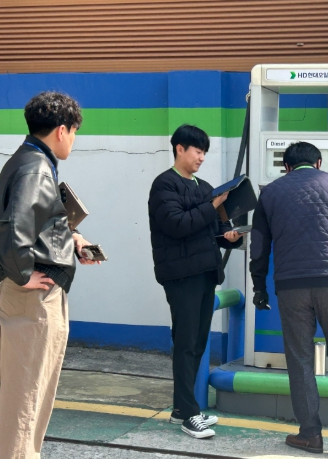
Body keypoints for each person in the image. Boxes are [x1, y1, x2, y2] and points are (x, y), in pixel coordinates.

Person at [0, 91, 99, 458]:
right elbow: (15, 226)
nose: (74, 140)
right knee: (26, 399)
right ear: (62, 130)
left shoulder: (26, 160)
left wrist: (72, 239)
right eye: (74, 132)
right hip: (35, 298)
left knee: (20, 394)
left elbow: (28, 223)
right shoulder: (36, 168)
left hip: (25, 295)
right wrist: (22, 274)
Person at [250, 141, 328, 454]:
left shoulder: (270, 192)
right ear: (319, 163)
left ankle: (310, 434)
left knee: (300, 358)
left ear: (286, 167)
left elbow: (259, 246)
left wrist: (258, 287)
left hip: (291, 286)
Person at [148, 124, 243, 439]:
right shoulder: (164, 185)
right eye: (197, 151)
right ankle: (190, 414)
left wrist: (229, 236)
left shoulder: (205, 187)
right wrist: (212, 206)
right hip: (181, 276)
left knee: (197, 343)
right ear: (180, 149)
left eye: (204, 152)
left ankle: (181, 409)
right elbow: (177, 225)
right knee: (186, 343)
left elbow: (214, 229)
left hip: (205, 273)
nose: (202, 157)